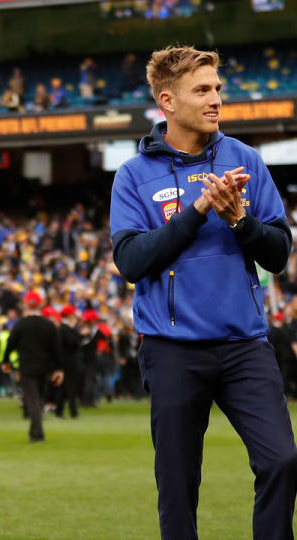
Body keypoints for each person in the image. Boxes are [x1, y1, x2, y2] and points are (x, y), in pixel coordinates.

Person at [110, 45, 297, 540]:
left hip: (244, 345)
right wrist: (196, 211)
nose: (216, 99)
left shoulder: (246, 161)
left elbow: (278, 253)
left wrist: (239, 219)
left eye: (217, 88)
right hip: (172, 350)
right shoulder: (133, 175)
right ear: (167, 101)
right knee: (178, 486)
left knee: (283, 460)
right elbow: (130, 262)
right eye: (203, 90)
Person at [1, 292, 63, 442]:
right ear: (40, 304)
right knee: (38, 398)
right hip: (44, 367)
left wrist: (5, 361)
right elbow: (57, 348)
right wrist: (59, 368)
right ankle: (35, 430)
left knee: (32, 400)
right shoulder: (49, 325)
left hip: (27, 367)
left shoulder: (21, 324)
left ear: (26, 304)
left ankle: (37, 434)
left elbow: (10, 343)